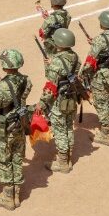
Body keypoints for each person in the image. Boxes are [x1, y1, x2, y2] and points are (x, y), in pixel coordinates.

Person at [0, 49, 31, 210]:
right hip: (19, 126)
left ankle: (8, 198)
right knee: (17, 158)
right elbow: (16, 94)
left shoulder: (1, 88)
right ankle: (17, 194)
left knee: (4, 161)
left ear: (4, 66)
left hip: (4, 130)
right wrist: (2, 83)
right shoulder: (26, 80)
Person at [36, 29, 81, 174]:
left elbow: (51, 85)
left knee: (60, 130)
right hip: (71, 98)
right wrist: (53, 63)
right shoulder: (75, 56)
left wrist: (41, 103)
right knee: (68, 127)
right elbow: (71, 72)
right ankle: (68, 157)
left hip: (59, 101)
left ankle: (63, 163)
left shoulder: (56, 62)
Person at [82, 11, 109, 146]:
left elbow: (90, 61)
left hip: (100, 76)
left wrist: (82, 74)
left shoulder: (100, 39)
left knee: (101, 102)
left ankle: (106, 134)